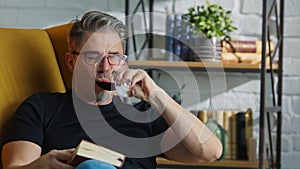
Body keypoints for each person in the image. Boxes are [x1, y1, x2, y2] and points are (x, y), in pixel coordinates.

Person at [1, 11, 222, 169]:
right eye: (92, 57)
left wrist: (157, 95)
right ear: (71, 62)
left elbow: (209, 152)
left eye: (114, 57)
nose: (105, 67)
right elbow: (16, 166)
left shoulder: (144, 115)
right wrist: (41, 166)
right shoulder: (41, 108)